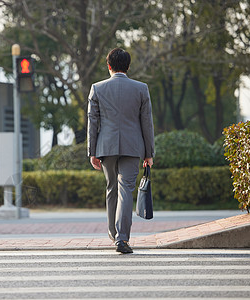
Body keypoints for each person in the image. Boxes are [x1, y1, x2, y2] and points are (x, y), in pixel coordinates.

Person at [87, 48, 155, 254]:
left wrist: (92, 151)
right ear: (128, 66)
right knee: (126, 188)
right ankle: (122, 238)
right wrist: (149, 153)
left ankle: (112, 232)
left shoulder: (97, 88)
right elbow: (147, 123)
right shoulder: (141, 88)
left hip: (106, 147)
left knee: (111, 188)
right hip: (134, 147)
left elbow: (92, 122)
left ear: (109, 66)